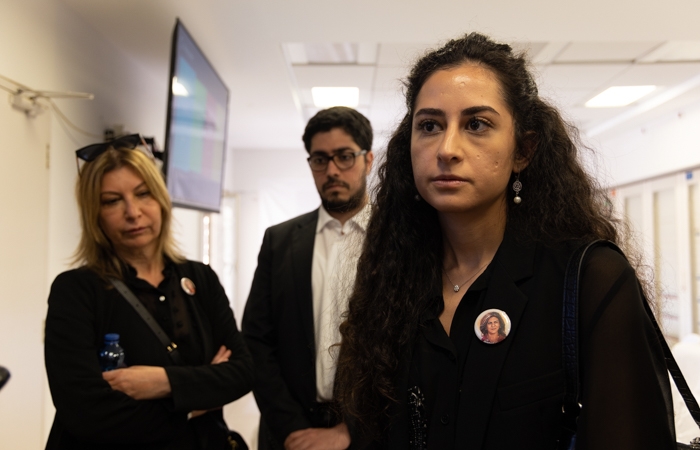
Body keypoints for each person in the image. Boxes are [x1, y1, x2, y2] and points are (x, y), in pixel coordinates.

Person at [335, 33, 676, 449]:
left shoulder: (591, 279)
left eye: (476, 124)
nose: (447, 148)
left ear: (523, 150)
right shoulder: (391, 277)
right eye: (429, 126)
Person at [44, 135, 254, 450]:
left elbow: (243, 371)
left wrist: (161, 382)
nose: (133, 212)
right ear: (94, 214)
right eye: (112, 200)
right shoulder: (76, 290)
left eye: (143, 194)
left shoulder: (200, 278)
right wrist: (197, 400)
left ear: (161, 199)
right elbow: (85, 413)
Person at [242, 107, 374, 450]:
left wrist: (353, 429)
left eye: (344, 157)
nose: (331, 170)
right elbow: (256, 340)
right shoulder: (280, 241)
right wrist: (290, 427)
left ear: (368, 160)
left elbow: (409, 347)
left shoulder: (399, 239)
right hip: (290, 434)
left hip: (372, 432)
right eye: (319, 159)